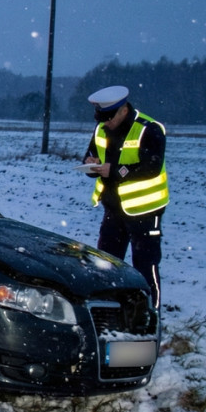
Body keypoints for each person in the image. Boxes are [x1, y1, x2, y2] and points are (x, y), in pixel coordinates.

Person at [82, 85, 169, 306]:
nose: (105, 122)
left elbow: (152, 167)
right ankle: (110, 312)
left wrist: (115, 170)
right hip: (112, 209)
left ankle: (151, 315)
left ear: (123, 110)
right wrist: (90, 165)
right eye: (101, 117)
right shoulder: (101, 127)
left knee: (144, 267)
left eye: (109, 117)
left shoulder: (149, 129)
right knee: (106, 264)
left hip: (144, 211)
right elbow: (91, 154)